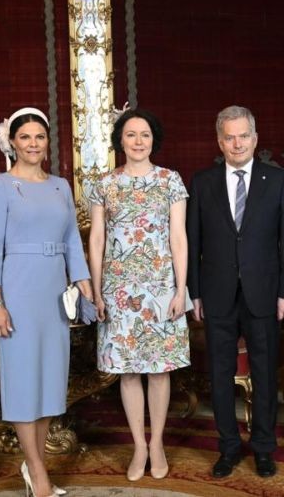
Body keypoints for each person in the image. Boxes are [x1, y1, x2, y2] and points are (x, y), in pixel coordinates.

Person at [0, 107, 92, 497]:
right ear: (11, 142)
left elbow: (73, 244)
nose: (32, 143)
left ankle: (34, 463)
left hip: (54, 293)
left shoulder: (62, 186)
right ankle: (39, 473)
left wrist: (86, 287)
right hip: (19, 291)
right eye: (25, 137)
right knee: (24, 380)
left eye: (39, 137)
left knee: (48, 382)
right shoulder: (0, 185)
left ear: (48, 142)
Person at [186, 105, 284, 479]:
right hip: (216, 294)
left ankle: (264, 448)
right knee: (219, 375)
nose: (237, 143)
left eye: (243, 136)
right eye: (229, 137)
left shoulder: (277, 180)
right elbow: (192, 241)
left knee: (264, 372)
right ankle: (229, 447)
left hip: (265, 293)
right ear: (220, 142)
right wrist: (195, 293)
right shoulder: (202, 183)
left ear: (255, 138)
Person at [88, 108, 191, 482]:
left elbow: (178, 238)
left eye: (144, 135)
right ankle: (138, 445)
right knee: (129, 371)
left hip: (162, 288)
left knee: (160, 371)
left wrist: (181, 289)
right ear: (120, 140)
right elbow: (96, 239)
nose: (137, 141)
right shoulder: (104, 184)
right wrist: (97, 292)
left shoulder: (170, 181)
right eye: (130, 135)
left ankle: (158, 442)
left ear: (153, 140)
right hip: (118, 290)